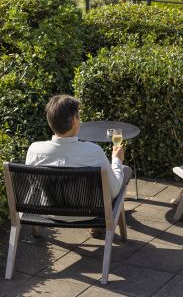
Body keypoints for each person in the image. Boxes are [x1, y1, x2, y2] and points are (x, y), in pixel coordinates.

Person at [26, 95, 132, 231]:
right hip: (89, 215)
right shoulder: (93, 152)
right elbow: (114, 190)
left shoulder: (34, 150)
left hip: (49, 212)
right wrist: (117, 160)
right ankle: (98, 228)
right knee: (125, 170)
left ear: (49, 122)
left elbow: (34, 183)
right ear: (75, 121)